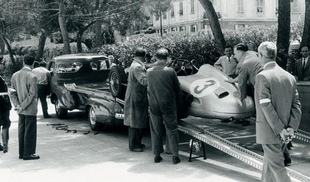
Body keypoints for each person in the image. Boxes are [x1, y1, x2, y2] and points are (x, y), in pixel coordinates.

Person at [255, 41, 301, 182]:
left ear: (261, 55)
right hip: (285, 130)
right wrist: (290, 128)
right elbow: (296, 105)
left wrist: (280, 129)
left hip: (270, 131)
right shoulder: (289, 77)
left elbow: (266, 106)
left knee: (277, 167)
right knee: (269, 167)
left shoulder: (262, 76)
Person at [146, 48, 181, 164]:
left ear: (156, 58)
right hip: (168, 104)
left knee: (156, 130)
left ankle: (157, 155)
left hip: (154, 104)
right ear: (167, 59)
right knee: (172, 129)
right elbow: (177, 89)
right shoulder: (170, 71)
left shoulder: (149, 72)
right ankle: (175, 155)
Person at [10, 55, 40, 160]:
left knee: (21, 130)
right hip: (30, 108)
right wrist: (22, 106)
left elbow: (12, 93)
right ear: (33, 63)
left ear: (23, 61)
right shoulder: (33, 76)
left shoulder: (14, 75)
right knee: (30, 131)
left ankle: (21, 153)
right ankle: (28, 153)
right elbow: (32, 95)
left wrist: (18, 105)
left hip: (19, 109)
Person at [225, 43, 263, 126]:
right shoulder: (253, 53)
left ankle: (262, 124)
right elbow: (242, 75)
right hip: (270, 78)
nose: (234, 56)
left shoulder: (243, 63)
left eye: (234, 54)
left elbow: (242, 83)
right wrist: (233, 80)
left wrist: (241, 96)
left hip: (261, 84)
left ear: (240, 52)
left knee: (261, 105)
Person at [124, 48, 148, 152]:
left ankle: (137, 143)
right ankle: (134, 145)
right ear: (143, 56)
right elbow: (143, 81)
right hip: (136, 96)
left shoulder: (135, 64)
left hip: (136, 95)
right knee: (135, 121)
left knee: (137, 121)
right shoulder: (137, 67)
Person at [0, 56, 12, 153]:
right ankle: (5, 146)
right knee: (6, 123)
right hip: (2, 105)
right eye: (2, 64)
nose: (4, 66)